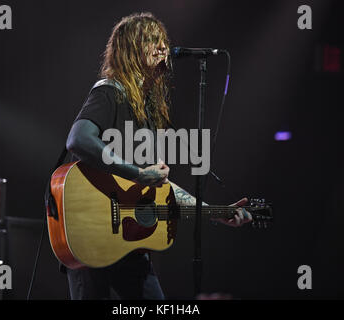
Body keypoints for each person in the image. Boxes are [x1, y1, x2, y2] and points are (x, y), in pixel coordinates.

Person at [64, 12, 252, 300]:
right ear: (130, 49)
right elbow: (78, 139)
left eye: (163, 40)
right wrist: (138, 174)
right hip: (90, 231)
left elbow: (159, 186)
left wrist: (215, 212)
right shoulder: (110, 92)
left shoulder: (148, 114)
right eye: (152, 40)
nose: (163, 46)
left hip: (130, 244)